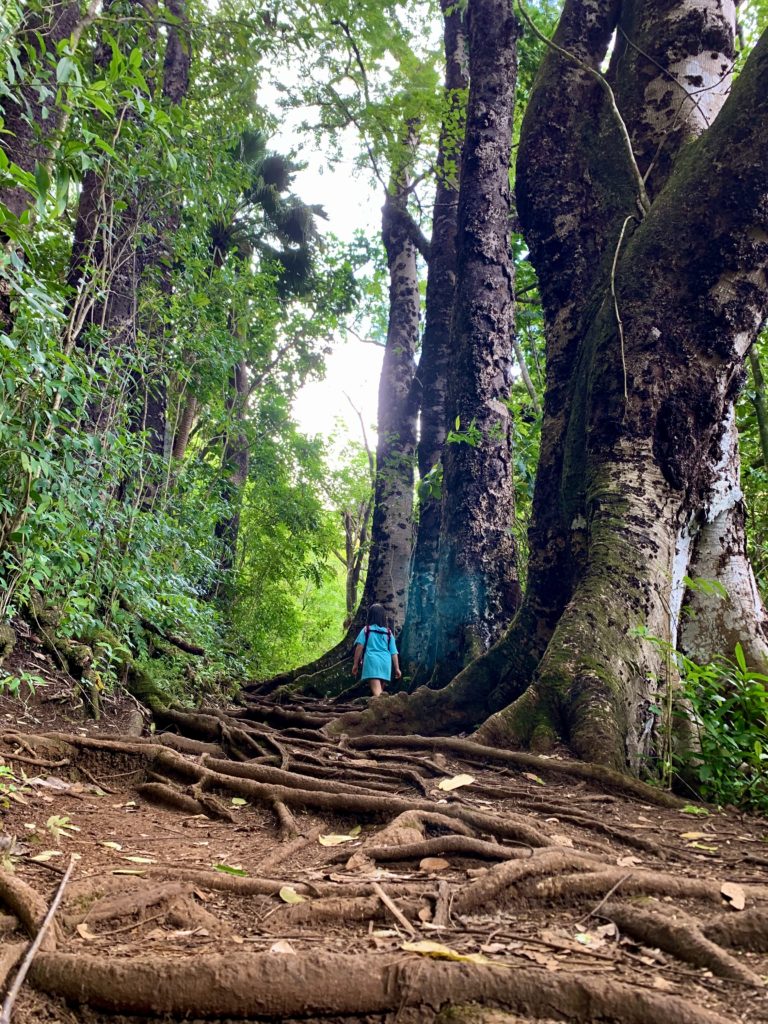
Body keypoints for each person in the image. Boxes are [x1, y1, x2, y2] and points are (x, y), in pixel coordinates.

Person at [352, 603, 401, 698]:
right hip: (385, 663)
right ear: (383, 617)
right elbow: (394, 652)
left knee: (378, 693)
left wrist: (355, 664)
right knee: (380, 691)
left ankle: (385, 709)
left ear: (370, 616)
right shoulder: (388, 632)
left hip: (372, 662)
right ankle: (384, 708)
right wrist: (397, 668)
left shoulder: (367, 630)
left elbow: (359, 647)